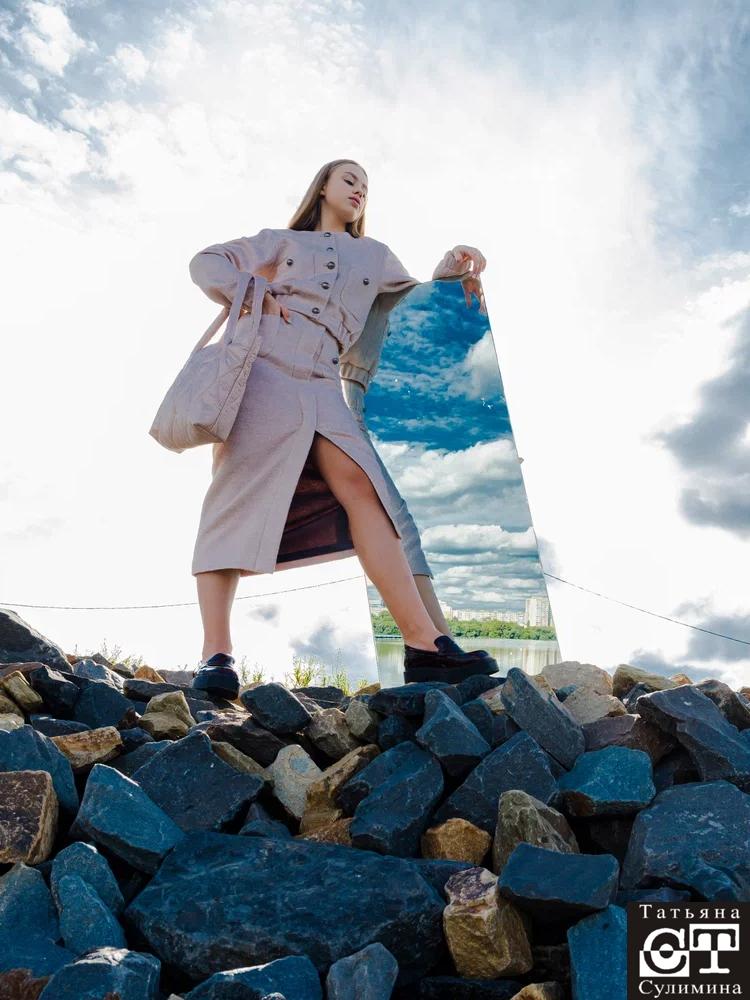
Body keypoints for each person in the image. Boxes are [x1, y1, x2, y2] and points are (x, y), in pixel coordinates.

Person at [188, 158, 498, 698]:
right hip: (264, 366)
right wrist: (255, 293)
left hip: (323, 378)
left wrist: (454, 269)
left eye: (366, 187)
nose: (359, 191)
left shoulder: (375, 255)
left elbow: (408, 303)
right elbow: (206, 262)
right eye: (349, 180)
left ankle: (424, 645)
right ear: (323, 188)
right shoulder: (281, 241)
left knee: (364, 488)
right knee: (232, 501)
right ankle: (217, 654)